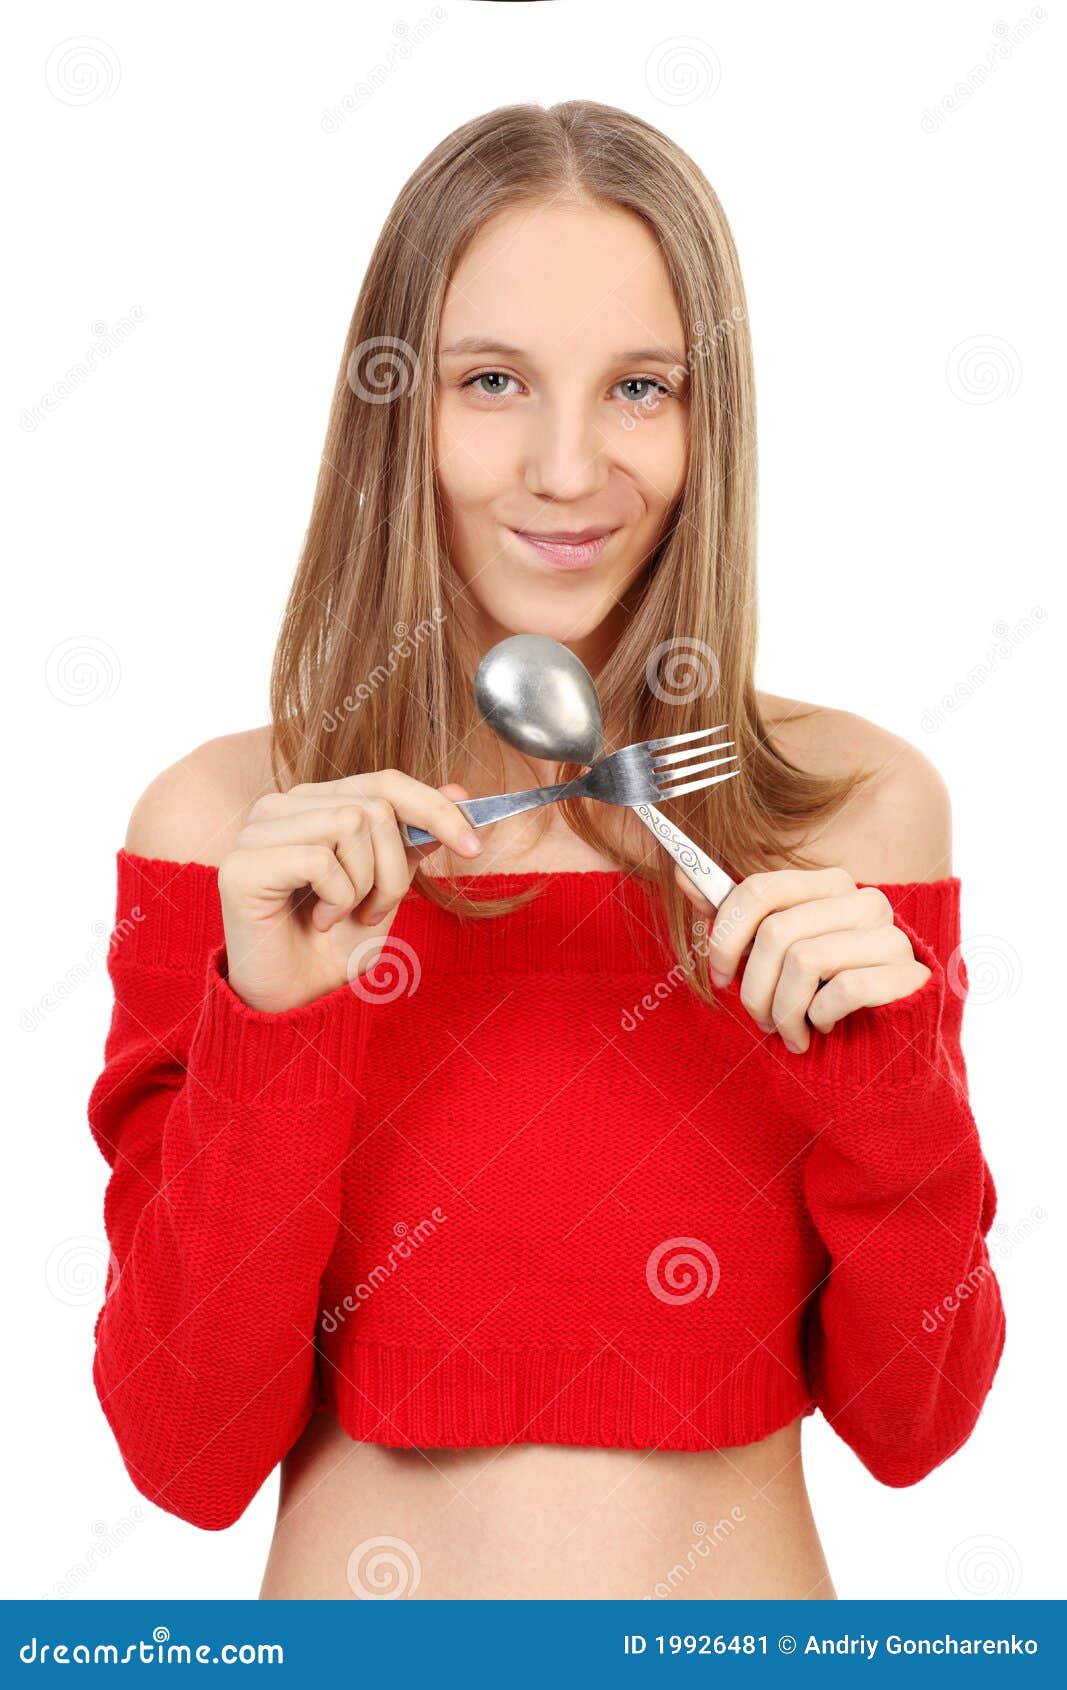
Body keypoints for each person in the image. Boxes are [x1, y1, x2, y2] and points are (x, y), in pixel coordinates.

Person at [87, 101, 1005, 1600]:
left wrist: (884, 1094)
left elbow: (920, 1423)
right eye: (494, 381)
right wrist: (282, 1023)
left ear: (712, 424)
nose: (568, 468)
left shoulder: (851, 817)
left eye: (640, 386)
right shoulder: (228, 837)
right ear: (397, 404)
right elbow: (185, 1456)